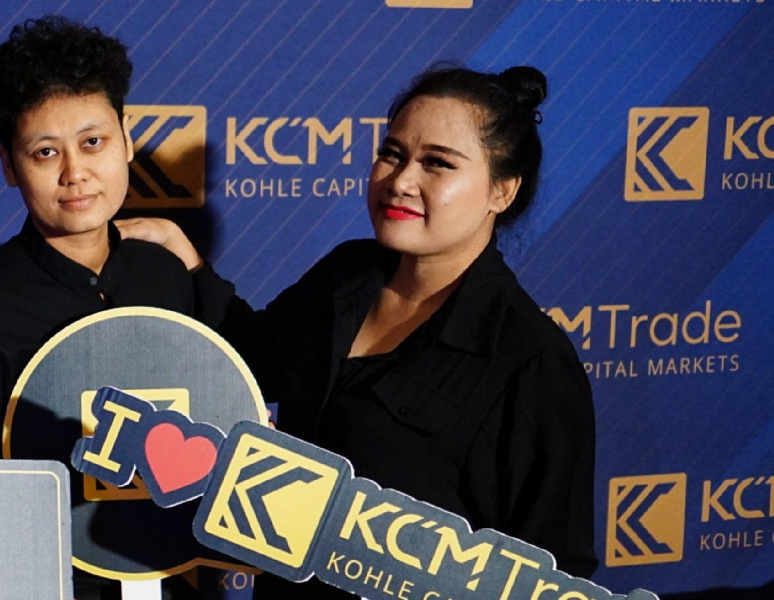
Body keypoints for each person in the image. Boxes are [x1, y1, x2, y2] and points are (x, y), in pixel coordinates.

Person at [121, 66, 597, 596]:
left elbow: (556, 572)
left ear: (502, 191)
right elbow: (251, 364)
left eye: (438, 163)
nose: (401, 181)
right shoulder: (346, 274)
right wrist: (185, 261)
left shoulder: (531, 362)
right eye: (392, 154)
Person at [0, 15, 204, 460]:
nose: (75, 173)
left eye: (93, 143)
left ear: (126, 140)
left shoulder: (164, 275)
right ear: (9, 164)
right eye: (45, 152)